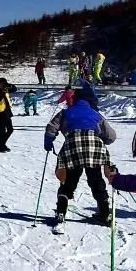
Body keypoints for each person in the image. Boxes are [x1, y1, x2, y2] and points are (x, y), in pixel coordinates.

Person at [44, 82, 116, 227]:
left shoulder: (65, 112)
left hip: (72, 146)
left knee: (69, 180)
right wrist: (102, 140)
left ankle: (60, 212)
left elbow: (51, 127)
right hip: (94, 147)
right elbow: (111, 136)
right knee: (96, 180)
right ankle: (104, 213)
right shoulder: (96, 114)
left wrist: (48, 142)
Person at [0, 77, 17, 152]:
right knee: (2, 131)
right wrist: (3, 91)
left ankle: (2, 145)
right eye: (2, 84)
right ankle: (1, 146)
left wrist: (10, 85)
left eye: (4, 84)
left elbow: (15, 89)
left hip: (6, 112)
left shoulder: (5, 88)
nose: (3, 85)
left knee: (10, 129)